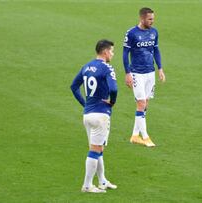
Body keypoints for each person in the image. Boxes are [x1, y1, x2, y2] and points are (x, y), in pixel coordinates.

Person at [70, 39, 118, 193]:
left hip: (88, 115)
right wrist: (112, 102)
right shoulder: (107, 68)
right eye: (111, 51)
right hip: (101, 115)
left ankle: (102, 180)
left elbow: (73, 87)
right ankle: (87, 185)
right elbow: (114, 88)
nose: (112, 54)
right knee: (95, 150)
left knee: (98, 148)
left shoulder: (86, 67)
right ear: (105, 52)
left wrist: (85, 104)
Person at [123, 7, 166, 147]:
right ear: (142, 18)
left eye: (153, 18)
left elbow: (156, 50)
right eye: (150, 19)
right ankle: (145, 137)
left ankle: (135, 135)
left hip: (150, 72)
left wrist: (160, 69)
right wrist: (127, 73)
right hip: (137, 73)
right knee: (141, 103)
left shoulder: (154, 32)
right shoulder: (132, 33)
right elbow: (125, 54)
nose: (152, 21)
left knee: (145, 104)